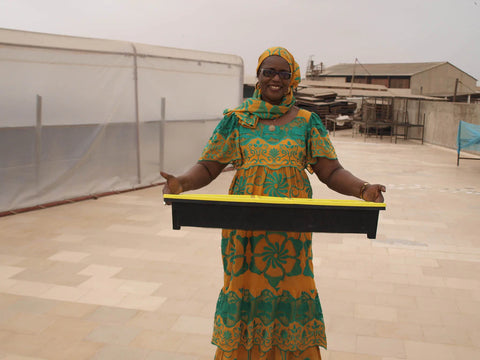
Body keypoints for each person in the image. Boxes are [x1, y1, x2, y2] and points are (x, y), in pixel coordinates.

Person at [161, 46, 385, 360]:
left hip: (292, 230)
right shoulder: (237, 120)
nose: (276, 79)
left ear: (292, 79)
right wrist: (181, 183)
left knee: (292, 288)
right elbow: (210, 165)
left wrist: (363, 189)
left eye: (283, 73)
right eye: (269, 72)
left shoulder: (308, 121)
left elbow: (330, 170)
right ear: (259, 77)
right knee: (244, 287)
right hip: (245, 228)